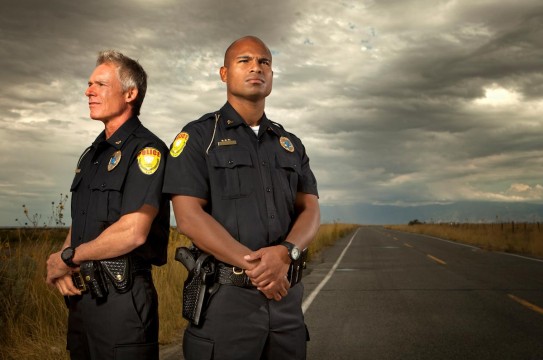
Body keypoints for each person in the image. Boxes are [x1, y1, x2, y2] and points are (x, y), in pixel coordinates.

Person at [163, 36, 320, 360]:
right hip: (225, 302)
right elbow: (189, 218)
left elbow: (311, 210)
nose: (256, 68)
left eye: (264, 62)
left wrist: (285, 254)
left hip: (285, 300)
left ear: (272, 75)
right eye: (244, 61)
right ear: (224, 73)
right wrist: (258, 267)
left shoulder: (289, 143)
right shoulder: (198, 137)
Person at [46, 50, 170, 360]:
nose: (88, 91)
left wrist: (69, 256)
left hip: (122, 297)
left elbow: (133, 232)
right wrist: (63, 262)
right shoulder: (92, 155)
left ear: (130, 93)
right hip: (83, 297)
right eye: (89, 84)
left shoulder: (147, 150)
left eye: (100, 84)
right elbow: (82, 219)